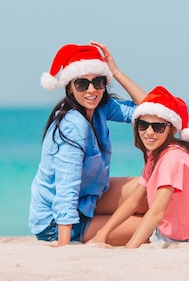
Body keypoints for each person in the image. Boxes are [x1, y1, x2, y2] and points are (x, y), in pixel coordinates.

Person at [28, 41, 148, 247]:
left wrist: (116, 72)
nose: (91, 90)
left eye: (98, 81)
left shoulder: (101, 108)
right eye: (82, 84)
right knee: (145, 227)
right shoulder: (72, 126)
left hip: (89, 198)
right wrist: (64, 246)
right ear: (70, 88)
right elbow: (66, 186)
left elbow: (148, 110)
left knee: (149, 192)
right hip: (55, 222)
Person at [88, 86, 189, 248]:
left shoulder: (171, 157)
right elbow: (133, 201)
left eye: (158, 127)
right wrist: (102, 235)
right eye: (143, 125)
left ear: (172, 129)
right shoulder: (155, 155)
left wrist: (129, 249)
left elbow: (156, 212)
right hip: (173, 234)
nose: (149, 132)